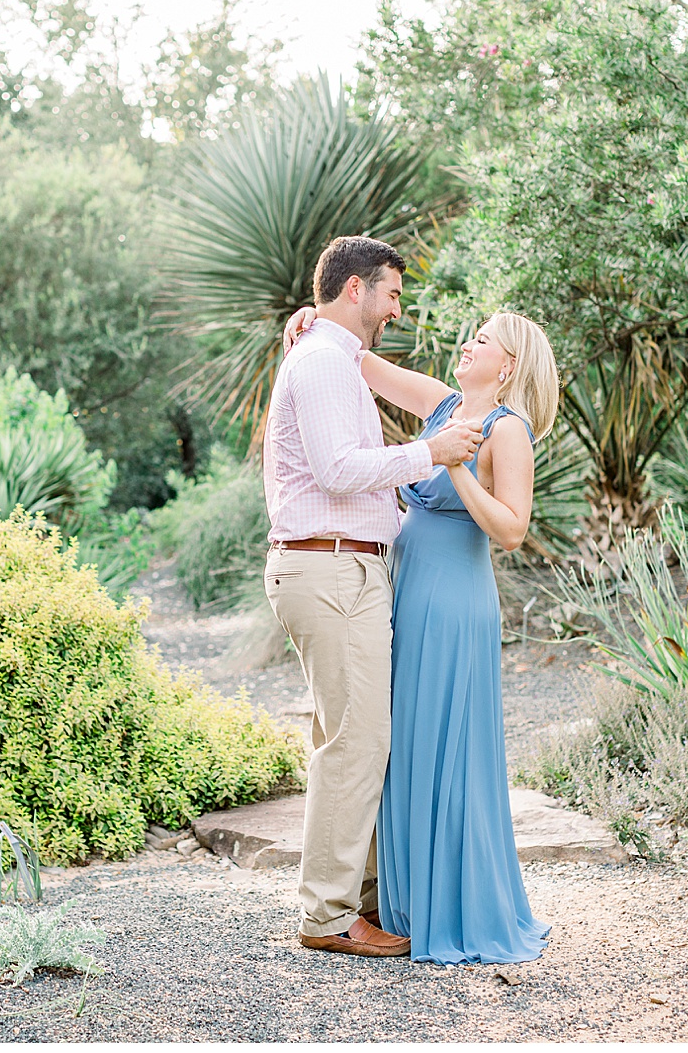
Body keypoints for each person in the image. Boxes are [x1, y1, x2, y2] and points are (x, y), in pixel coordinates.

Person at [281, 305, 560, 964]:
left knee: (446, 748)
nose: (468, 343)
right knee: (399, 744)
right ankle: (403, 901)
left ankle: (455, 907)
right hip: (404, 590)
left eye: (483, 339)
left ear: (509, 364)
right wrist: (312, 321)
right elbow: (362, 362)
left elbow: (513, 530)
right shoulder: (443, 405)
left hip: (454, 602)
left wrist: (456, 466)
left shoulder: (507, 429)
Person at [261, 236, 485, 958]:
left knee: (356, 736)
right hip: (328, 570)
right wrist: (432, 454)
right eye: (391, 292)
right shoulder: (323, 361)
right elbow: (336, 468)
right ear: (355, 289)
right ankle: (327, 915)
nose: (397, 307)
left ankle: (357, 898)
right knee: (356, 740)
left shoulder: (329, 355)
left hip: (340, 569)